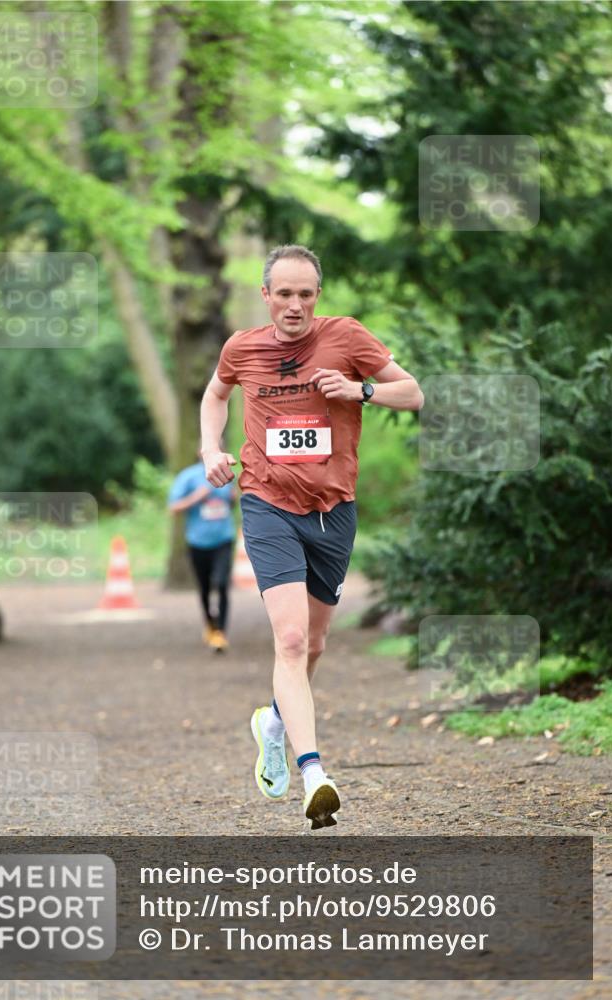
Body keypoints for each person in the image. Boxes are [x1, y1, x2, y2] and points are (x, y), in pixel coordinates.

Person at [200, 244, 423, 829]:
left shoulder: (347, 338)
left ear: (316, 296)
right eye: (284, 293)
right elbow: (216, 394)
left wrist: (361, 391)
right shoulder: (241, 348)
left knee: (316, 645)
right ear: (265, 295)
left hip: (333, 512)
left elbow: (414, 392)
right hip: (268, 503)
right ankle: (314, 773)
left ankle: (271, 723)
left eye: (305, 294)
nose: (294, 305)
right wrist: (209, 449)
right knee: (292, 641)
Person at [168, 459, 236, 652]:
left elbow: (231, 503)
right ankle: (210, 624)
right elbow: (173, 508)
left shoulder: (228, 474)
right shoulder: (188, 476)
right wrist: (197, 497)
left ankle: (221, 632)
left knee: (222, 583)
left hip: (224, 538)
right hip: (198, 541)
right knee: (205, 587)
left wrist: (233, 499)